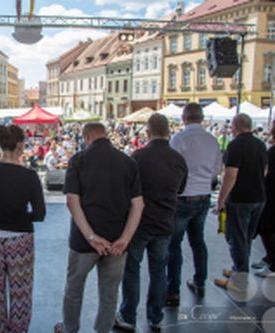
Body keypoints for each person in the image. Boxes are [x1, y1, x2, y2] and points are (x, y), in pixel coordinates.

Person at [55, 122, 145, 333]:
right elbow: (138, 205)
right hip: (117, 240)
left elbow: (72, 201)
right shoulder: (128, 162)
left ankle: (70, 328)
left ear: (87, 137)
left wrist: (91, 237)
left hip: (84, 241)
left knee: (74, 288)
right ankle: (103, 329)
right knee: (110, 292)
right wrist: (125, 238)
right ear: (106, 135)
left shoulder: (78, 160)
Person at [115, 114, 188, 332]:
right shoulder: (179, 159)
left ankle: (128, 316)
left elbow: (125, 189)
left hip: (139, 223)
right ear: (168, 132)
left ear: (148, 133)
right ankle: (156, 317)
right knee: (158, 271)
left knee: (132, 269)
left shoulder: (138, 157)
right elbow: (181, 189)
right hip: (165, 223)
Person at [0, 124, 46, 333]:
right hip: (20, 239)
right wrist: (21, 216)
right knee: (21, 293)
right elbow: (40, 214)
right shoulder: (29, 176)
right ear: (21, 146)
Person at [166, 103, 222, 306]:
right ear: (202, 118)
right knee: (198, 242)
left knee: (174, 246)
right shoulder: (212, 140)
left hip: (183, 197)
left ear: (184, 118)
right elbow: (217, 169)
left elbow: (171, 168)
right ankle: (200, 282)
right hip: (204, 196)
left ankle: (173, 291)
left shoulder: (179, 139)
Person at [214, 113, 267, 290]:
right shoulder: (260, 144)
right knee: (247, 238)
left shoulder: (235, 145)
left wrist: (220, 200)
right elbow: (265, 171)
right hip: (258, 197)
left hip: (240, 199)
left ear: (234, 127)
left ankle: (240, 280)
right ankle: (240, 270)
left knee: (236, 239)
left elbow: (230, 175)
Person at [254, 120, 275, 277]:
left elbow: (265, 173)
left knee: (265, 227)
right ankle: (270, 258)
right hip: (269, 193)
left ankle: (273, 263)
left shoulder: (272, 152)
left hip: (270, 194)